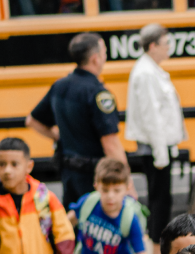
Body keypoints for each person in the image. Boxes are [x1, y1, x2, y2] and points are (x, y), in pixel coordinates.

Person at [26, 33, 130, 209]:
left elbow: (32, 121)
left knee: (73, 222)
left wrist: (58, 136)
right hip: (94, 176)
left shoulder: (60, 85)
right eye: (104, 51)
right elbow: (110, 143)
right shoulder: (98, 93)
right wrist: (127, 182)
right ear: (95, 58)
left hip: (68, 171)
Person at [125, 23, 187, 254]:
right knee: (160, 200)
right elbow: (152, 117)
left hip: (158, 147)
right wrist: (162, 152)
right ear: (153, 46)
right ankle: (155, 252)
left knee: (160, 198)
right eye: (165, 43)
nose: (169, 48)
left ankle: (156, 249)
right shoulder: (146, 74)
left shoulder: (150, 70)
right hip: (154, 148)